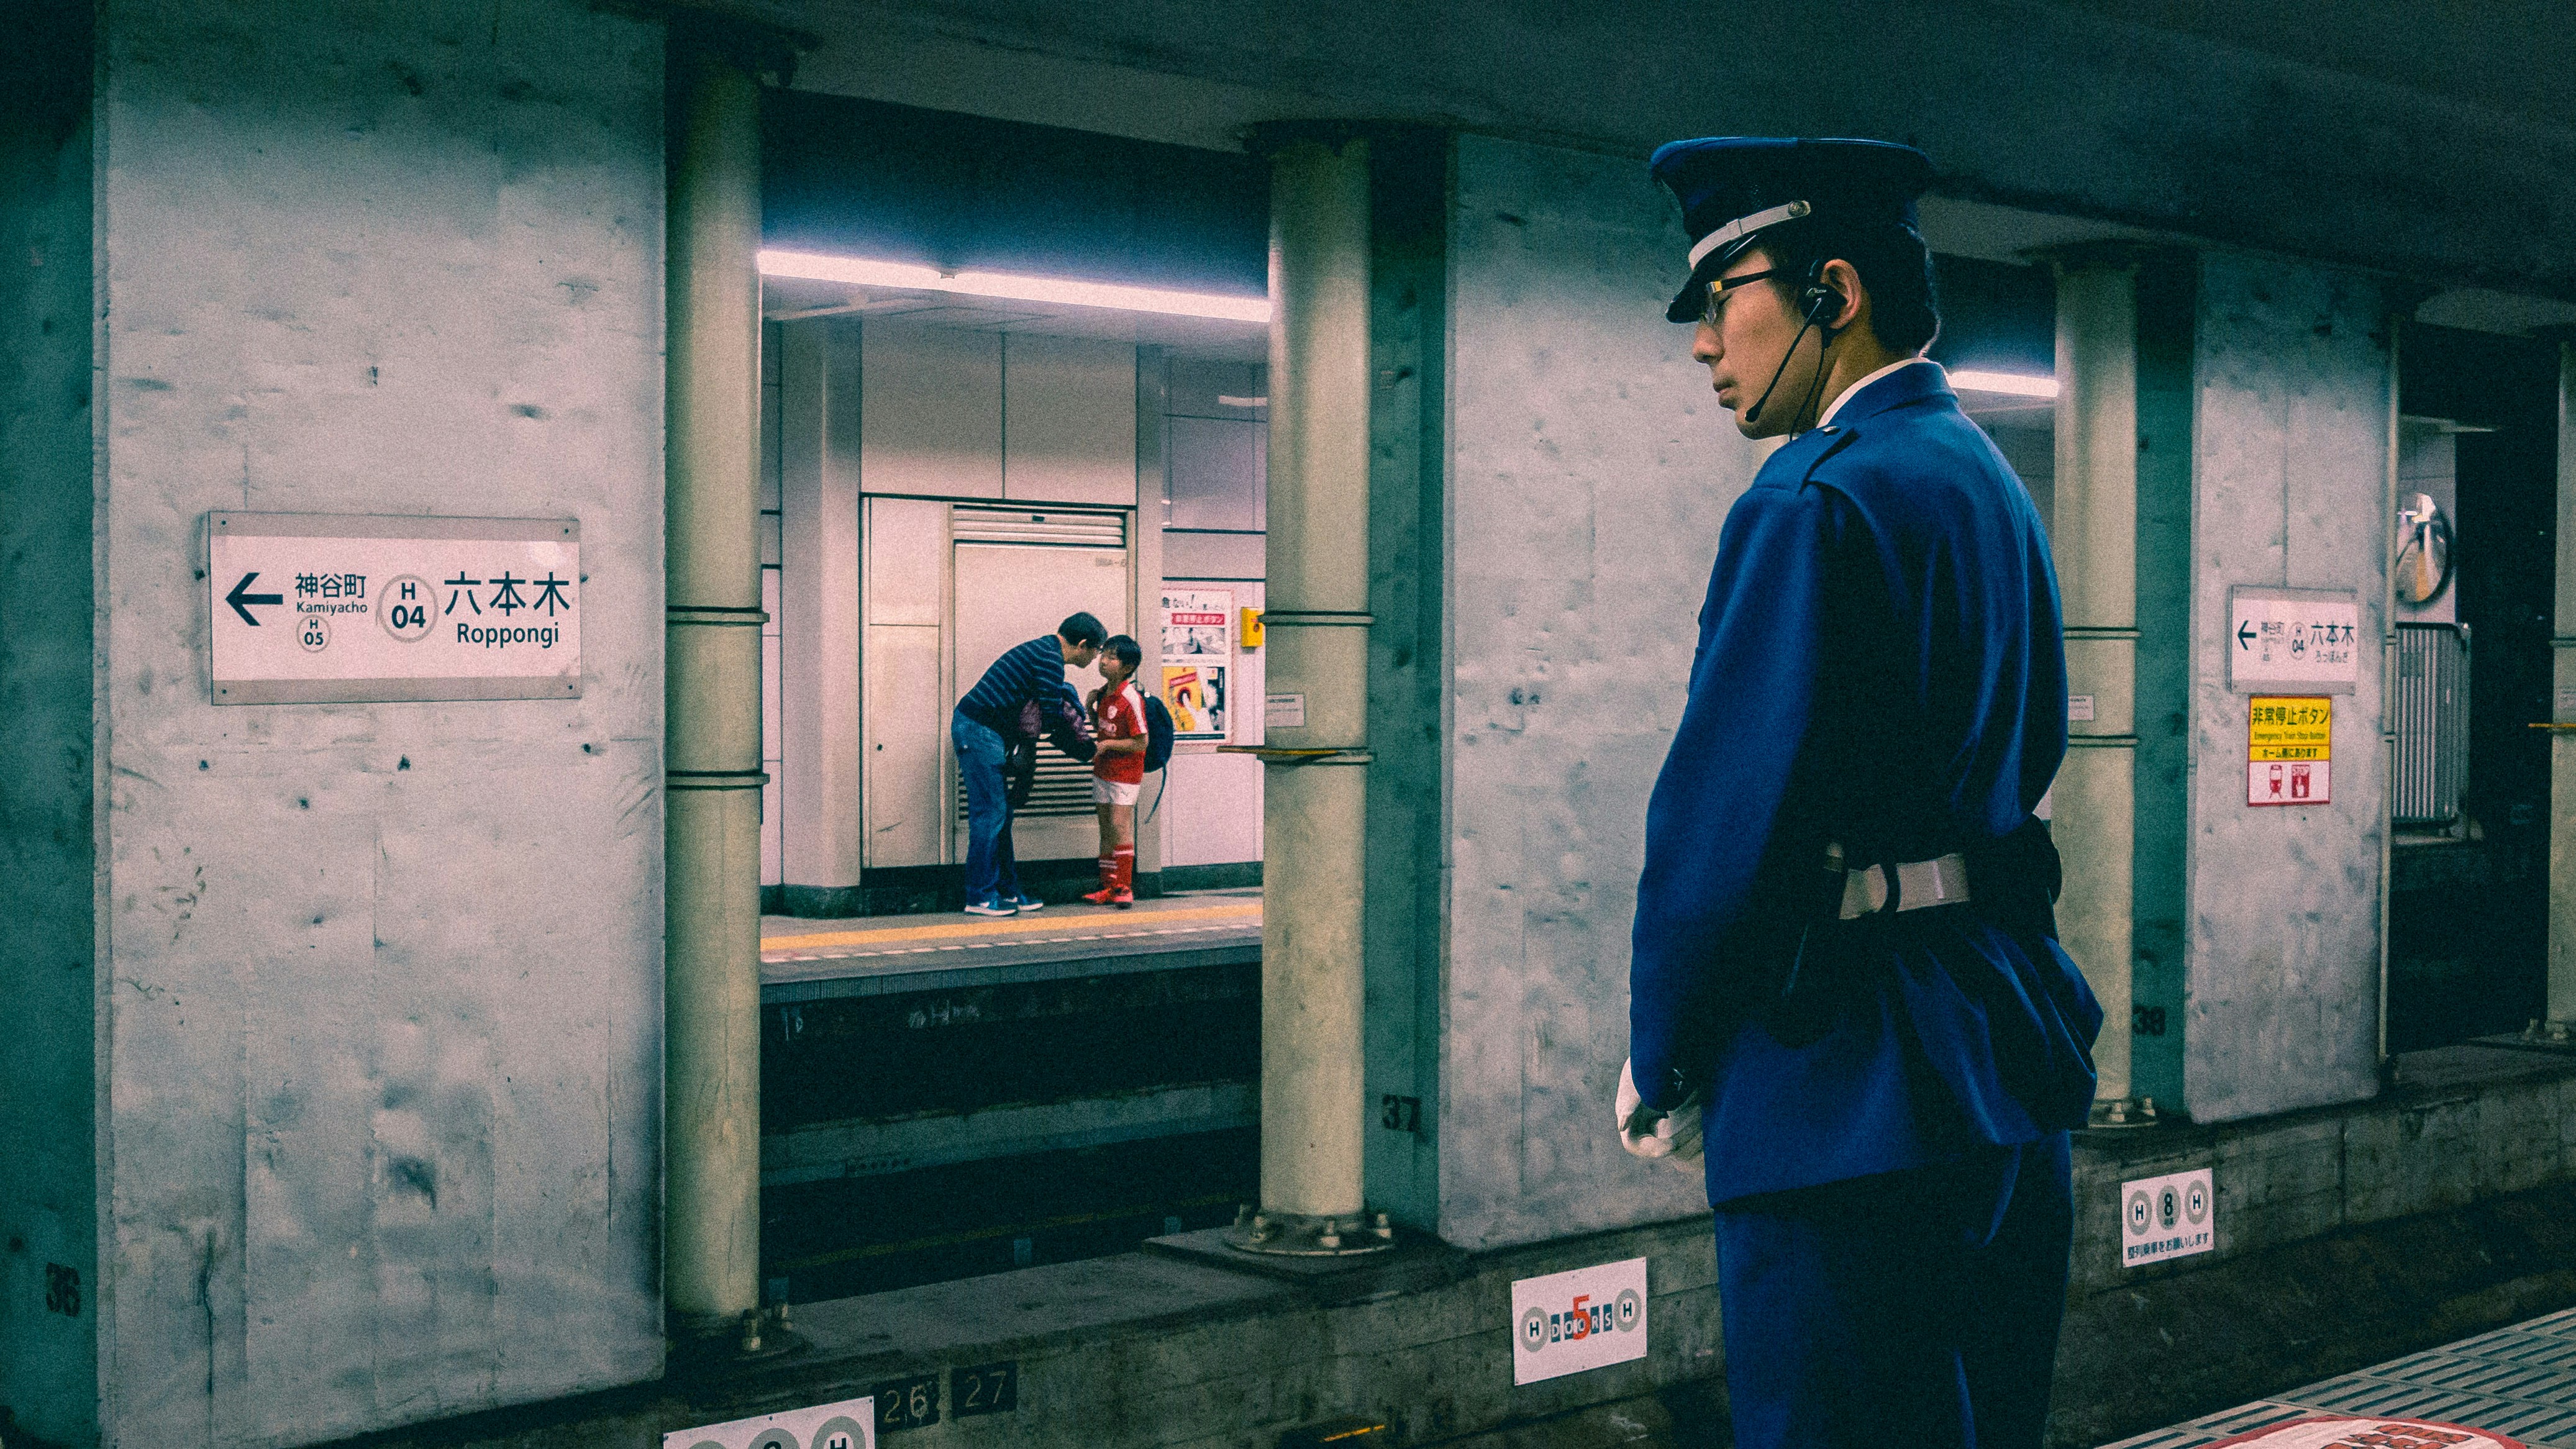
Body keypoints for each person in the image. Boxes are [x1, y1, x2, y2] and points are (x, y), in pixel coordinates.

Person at [1618, 136, 2104, 1449]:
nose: (1705, 343)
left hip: (1843, 1084)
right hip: (2001, 1045)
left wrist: (1660, 1044)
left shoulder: (1813, 499)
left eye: (1725, 298)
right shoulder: (1984, 479)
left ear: (1831, 290)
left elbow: (1724, 816)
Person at [953, 612, 1104, 917]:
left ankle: (1005, 890)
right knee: (990, 814)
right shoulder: (1050, 659)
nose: (1096, 660)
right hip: (979, 730)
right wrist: (1088, 751)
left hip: (986, 732)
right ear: (1084, 645)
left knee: (1001, 815)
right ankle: (979, 896)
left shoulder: (1044, 651)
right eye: (1097, 652)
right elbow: (1051, 718)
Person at [1081, 634, 1149, 908]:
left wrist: (1109, 744)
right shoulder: (1103, 694)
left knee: (1120, 827)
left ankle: (1124, 886)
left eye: (1112, 657)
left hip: (1125, 773)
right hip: (1103, 771)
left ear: (1127, 666)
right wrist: (1089, 708)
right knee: (1106, 829)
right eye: (1104, 655)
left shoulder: (1130, 698)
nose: (1104, 661)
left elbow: (1141, 741)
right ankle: (1108, 886)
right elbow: (1105, 726)